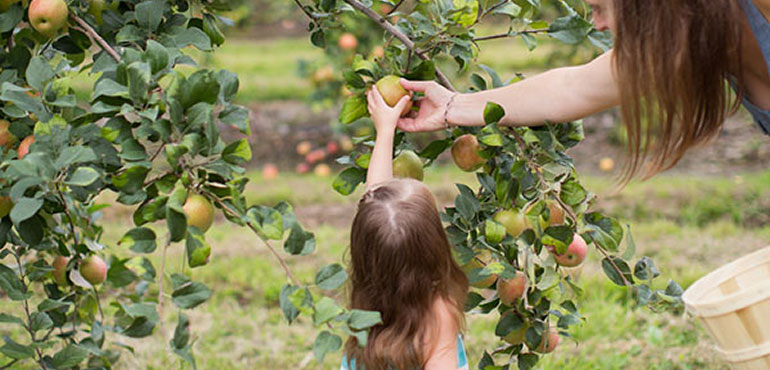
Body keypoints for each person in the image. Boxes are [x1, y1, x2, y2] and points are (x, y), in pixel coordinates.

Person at [397, 0, 770, 182]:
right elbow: (570, 88)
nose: (598, 24)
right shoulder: (689, 41)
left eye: (598, 8)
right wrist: (454, 106)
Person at [340, 87, 469, 370]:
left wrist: (385, 130)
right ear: (435, 249)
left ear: (364, 253)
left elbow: (376, 197)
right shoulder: (437, 314)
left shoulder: (367, 308)